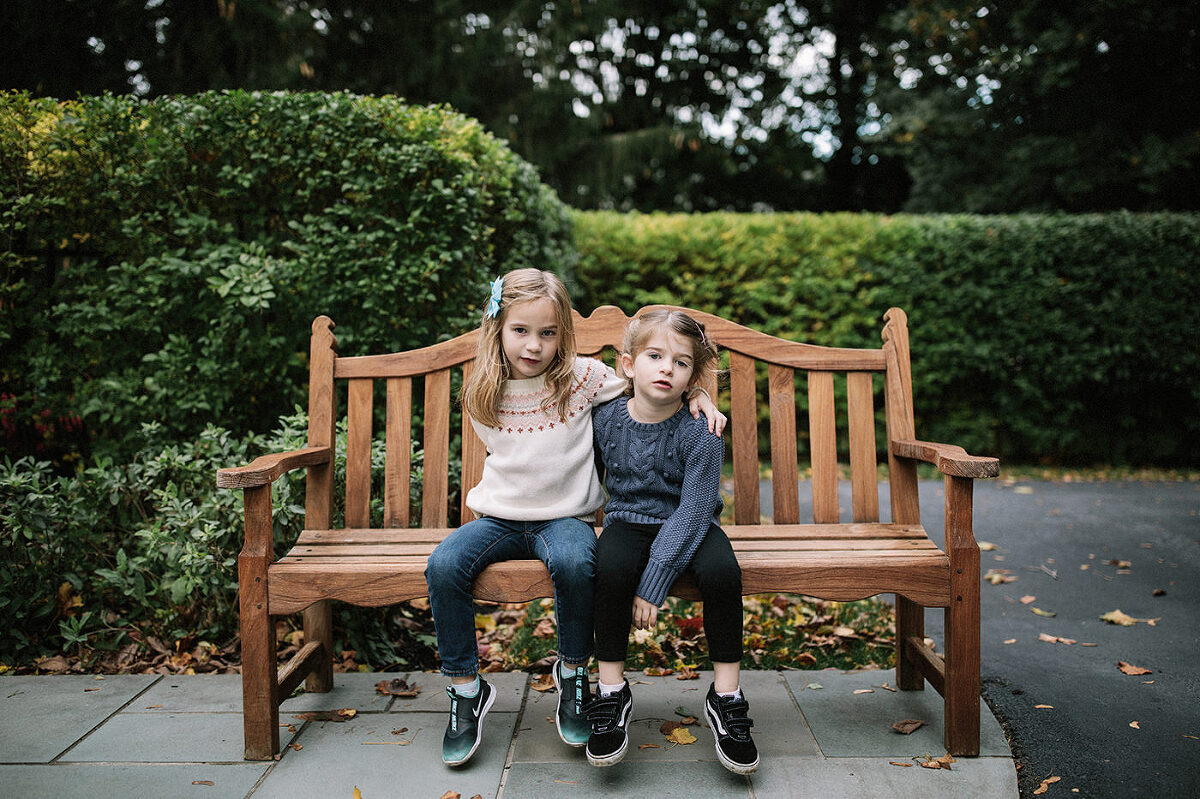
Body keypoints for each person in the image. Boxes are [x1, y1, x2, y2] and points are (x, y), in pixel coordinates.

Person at [424, 271, 726, 767]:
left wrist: (698, 395)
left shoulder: (583, 378)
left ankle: (572, 675)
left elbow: (652, 384)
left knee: (576, 562)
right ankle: (466, 689)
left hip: (565, 519)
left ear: (562, 334)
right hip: (498, 518)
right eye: (521, 330)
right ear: (497, 328)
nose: (534, 345)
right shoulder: (483, 391)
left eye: (547, 333)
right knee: (443, 565)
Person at [586, 308, 758, 775]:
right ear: (628, 364)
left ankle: (726, 696)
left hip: (691, 523)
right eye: (655, 356)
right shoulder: (604, 419)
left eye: (681, 363)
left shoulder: (703, 430)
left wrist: (654, 582)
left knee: (723, 573)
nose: (666, 368)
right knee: (609, 567)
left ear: (692, 378)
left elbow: (697, 508)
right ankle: (611, 691)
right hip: (628, 521)